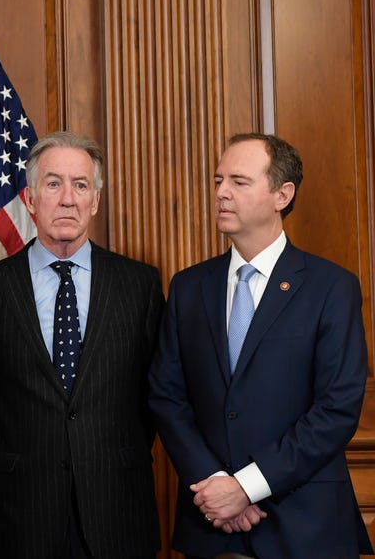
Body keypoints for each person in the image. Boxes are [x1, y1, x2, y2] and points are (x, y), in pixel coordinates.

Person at [149, 133, 371, 558]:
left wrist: (247, 487)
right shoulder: (188, 287)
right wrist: (217, 486)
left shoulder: (331, 288)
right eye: (218, 180)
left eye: (239, 181)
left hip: (306, 525)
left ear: (282, 195)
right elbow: (166, 396)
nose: (221, 192)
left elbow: (337, 408)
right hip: (211, 524)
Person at [0, 132, 163, 559]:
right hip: (22, 513)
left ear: (95, 200)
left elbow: (155, 392)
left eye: (80, 185)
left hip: (117, 509)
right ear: (30, 198)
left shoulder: (139, 285)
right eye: (53, 184)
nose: (68, 199)